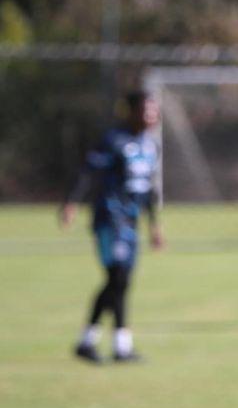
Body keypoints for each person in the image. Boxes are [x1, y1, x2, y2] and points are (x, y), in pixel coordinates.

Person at [59, 91, 163, 363]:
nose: (151, 116)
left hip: (131, 222)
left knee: (122, 282)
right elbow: (87, 172)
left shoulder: (151, 145)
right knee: (117, 277)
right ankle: (115, 345)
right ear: (130, 111)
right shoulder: (112, 140)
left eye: (153, 111)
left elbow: (148, 188)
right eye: (145, 110)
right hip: (108, 219)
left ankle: (106, 345)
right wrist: (71, 202)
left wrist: (154, 226)